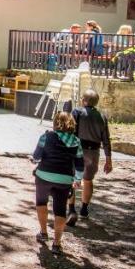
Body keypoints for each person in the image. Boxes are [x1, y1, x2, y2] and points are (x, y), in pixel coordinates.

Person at [32, 109, 85, 255]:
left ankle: (43, 232)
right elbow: (80, 165)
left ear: (55, 123)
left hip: (44, 176)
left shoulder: (46, 137)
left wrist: (34, 160)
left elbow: (36, 156)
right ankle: (57, 243)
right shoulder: (76, 141)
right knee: (60, 210)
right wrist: (78, 180)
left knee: (41, 203)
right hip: (64, 179)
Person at [70, 89, 113, 223]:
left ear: (84, 101)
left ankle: (71, 209)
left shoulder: (77, 112)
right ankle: (84, 209)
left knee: (71, 179)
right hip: (93, 152)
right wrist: (108, 160)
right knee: (88, 180)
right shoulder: (102, 117)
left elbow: (70, 130)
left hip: (77, 149)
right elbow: (106, 139)